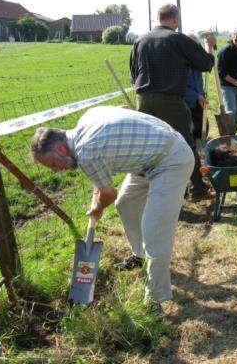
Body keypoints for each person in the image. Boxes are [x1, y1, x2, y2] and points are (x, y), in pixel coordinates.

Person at [31, 106, 194, 305]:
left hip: (171, 160)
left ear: (60, 149)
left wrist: (98, 207)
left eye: (53, 164)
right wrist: (97, 193)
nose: (57, 171)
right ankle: (140, 256)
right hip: (146, 159)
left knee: (154, 231)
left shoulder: (86, 152)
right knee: (126, 203)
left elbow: (108, 194)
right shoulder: (85, 121)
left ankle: (154, 299)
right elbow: (102, 177)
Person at [130, 3, 216, 200]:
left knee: (149, 147)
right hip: (170, 102)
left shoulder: (140, 40)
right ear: (175, 19)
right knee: (185, 145)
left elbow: (134, 74)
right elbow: (205, 63)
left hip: (143, 102)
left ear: (157, 19)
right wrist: (208, 47)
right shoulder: (177, 39)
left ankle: (146, 194)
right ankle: (197, 189)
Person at [184, 32, 208, 145]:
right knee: (190, 131)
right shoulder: (180, 61)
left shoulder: (197, 59)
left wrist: (208, 45)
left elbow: (207, 63)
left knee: (203, 127)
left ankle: (200, 151)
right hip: (186, 103)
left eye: (196, 46)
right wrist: (196, 96)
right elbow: (180, 87)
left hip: (199, 100)